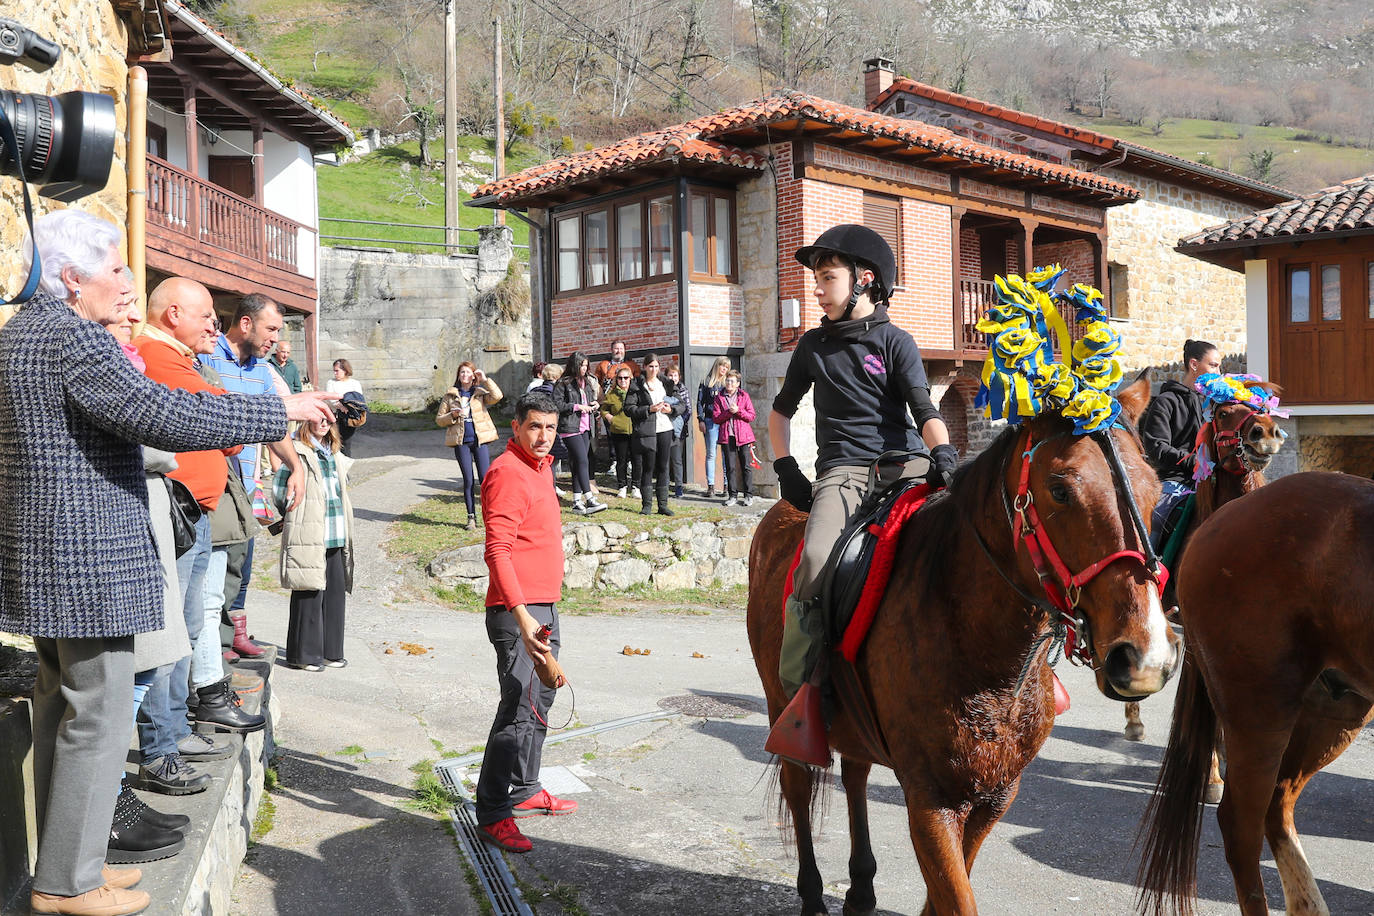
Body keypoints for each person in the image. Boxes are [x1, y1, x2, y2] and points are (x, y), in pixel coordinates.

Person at [2, 209, 335, 916]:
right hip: (87, 558)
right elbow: (161, 414)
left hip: (49, 556)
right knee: (94, 718)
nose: (128, 285)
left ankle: (70, 865)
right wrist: (278, 414)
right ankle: (67, 884)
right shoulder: (72, 337)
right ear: (70, 278)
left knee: (63, 708)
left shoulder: (22, 332)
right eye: (116, 270)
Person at [769, 224, 958, 701]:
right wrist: (786, 467)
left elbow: (926, 411)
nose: (816, 289)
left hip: (907, 463)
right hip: (843, 470)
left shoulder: (897, 342)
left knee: (964, 533)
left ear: (865, 279)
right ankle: (799, 696)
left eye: (827, 277)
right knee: (812, 561)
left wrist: (944, 455)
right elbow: (780, 411)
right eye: (817, 278)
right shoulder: (813, 346)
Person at [475, 392, 579, 854]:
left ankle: (526, 786)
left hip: (543, 606)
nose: (543, 436)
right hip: (517, 612)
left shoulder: (542, 467)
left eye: (551, 428)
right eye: (534, 426)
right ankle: (494, 812)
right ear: (515, 426)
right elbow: (497, 551)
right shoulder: (505, 473)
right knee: (518, 707)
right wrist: (522, 619)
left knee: (543, 696)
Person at [275, 414, 355, 671]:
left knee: (334, 595)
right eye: (319, 418)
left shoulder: (335, 454)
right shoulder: (296, 451)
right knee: (308, 590)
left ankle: (331, 652)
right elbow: (278, 491)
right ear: (307, 421)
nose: (324, 423)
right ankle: (303, 656)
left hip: (336, 532)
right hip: (310, 531)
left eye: (328, 420)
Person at [1139, 338, 1221, 549]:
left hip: (1215, 480)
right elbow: (1156, 447)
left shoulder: (1215, 405)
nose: (1219, 372)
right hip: (1175, 482)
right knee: (1156, 518)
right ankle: (1148, 569)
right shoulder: (1166, 402)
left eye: (1219, 366)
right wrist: (1195, 463)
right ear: (1194, 365)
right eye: (1213, 365)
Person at [436, 362, 504, 530]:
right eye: (462, 372)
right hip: (461, 442)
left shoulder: (479, 393)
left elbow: (497, 396)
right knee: (468, 480)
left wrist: (485, 380)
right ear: (458, 376)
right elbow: (439, 419)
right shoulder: (450, 395)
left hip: (479, 441)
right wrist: (452, 414)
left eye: (468, 372)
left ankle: (490, 516)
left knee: (485, 480)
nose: (465, 375)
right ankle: (471, 518)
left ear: (473, 375)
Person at [623, 353, 682, 516]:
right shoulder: (636, 384)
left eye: (656, 366)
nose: (653, 370)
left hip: (665, 428)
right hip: (646, 431)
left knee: (663, 467)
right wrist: (649, 409)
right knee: (648, 468)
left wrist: (672, 409)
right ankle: (646, 505)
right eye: (650, 366)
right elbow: (628, 408)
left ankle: (662, 505)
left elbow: (682, 404)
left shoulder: (666, 383)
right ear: (644, 367)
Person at [552, 352, 606, 515]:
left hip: (586, 426)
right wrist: (577, 407)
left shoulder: (588, 382)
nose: (584, 368)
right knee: (582, 461)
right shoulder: (563, 383)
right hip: (569, 427)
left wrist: (595, 405)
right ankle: (589, 498)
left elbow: (590, 403)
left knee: (578, 463)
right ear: (574, 365)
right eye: (581, 365)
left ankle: (576, 501)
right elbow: (557, 404)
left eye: (586, 365)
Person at [713, 370, 757, 506]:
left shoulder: (744, 396)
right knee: (730, 467)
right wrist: (728, 412)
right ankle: (732, 496)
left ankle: (748, 495)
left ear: (738, 384)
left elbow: (751, 416)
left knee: (746, 466)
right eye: (727, 380)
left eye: (732, 381)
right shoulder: (719, 397)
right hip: (728, 437)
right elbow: (716, 418)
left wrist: (738, 411)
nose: (729, 383)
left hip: (743, 436)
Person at [600, 365, 640, 498]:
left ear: (630, 379)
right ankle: (622, 486)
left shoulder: (637, 393)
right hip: (618, 430)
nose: (623, 381)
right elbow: (603, 408)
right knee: (621, 460)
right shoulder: (611, 394)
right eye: (620, 378)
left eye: (626, 378)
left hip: (635, 431)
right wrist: (609, 417)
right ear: (616, 380)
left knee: (636, 460)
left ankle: (635, 486)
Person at [697, 356, 732, 498]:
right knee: (711, 454)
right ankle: (710, 486)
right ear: (717, 366)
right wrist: (700, 419)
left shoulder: (728, 384)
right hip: (710, 420)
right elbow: (700, 402)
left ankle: (726, 486)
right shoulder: (706, 382)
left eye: (727, 367)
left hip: (725, 422)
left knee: (726, 454)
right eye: (722, 366)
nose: (724, 369)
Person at [664, 363, 692, 499]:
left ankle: (679, 487)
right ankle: (664, 485)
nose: (673, 377)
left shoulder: (683, 390)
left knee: (677, 459)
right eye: (670, 375)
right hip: (664, 427)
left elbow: (688, 410)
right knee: (664, 459)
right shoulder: (663, 389)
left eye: (675, 375)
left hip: (678, 430)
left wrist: (678, 420)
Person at [327, 359, 365, 456]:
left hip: (349, 418)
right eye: (334, 371)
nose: (335, 373)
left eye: (337, 371)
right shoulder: (331, 382)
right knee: (333, 442)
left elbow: (358, 399)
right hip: (334, 417)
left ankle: (345, 468)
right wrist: (340, 406)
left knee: (346, 444)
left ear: (345, 370)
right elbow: (330, 398)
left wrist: (349, 407)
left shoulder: (355, 383)